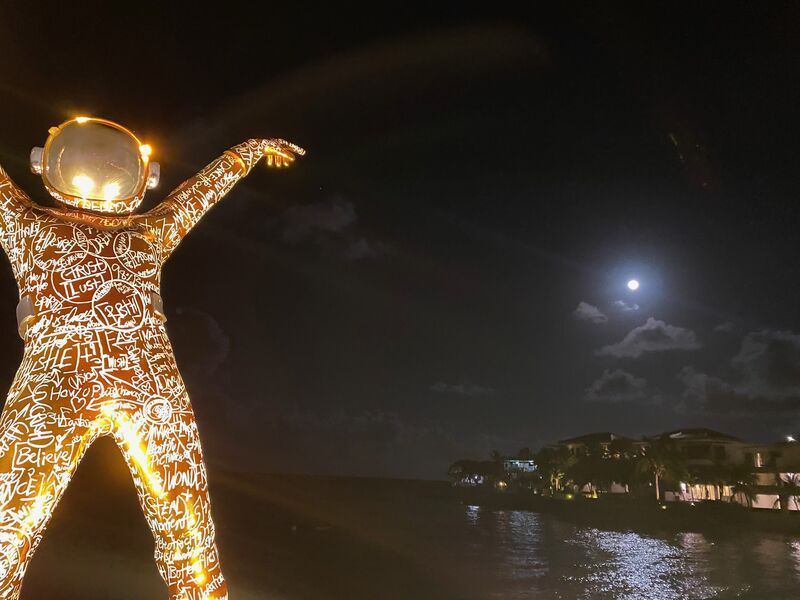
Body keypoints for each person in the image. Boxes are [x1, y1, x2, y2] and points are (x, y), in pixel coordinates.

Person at [0, 116, 304, 599]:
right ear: (145, 176)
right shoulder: (143, 232)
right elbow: (198, 192)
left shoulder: (30, 225)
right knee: (185, 529)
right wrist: (245, 153)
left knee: (10, 522)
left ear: (45, 164)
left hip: (65, 386)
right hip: (137, 387)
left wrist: (245, 154)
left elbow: (199, 192)